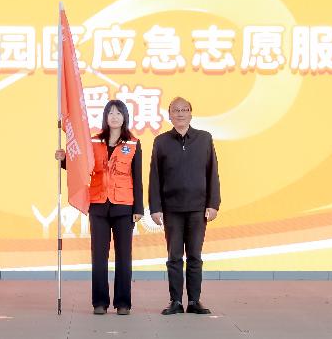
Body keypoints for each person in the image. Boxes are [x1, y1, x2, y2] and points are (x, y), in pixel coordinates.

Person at [55, 99, 143, 315]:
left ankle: (123, 303)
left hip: (124, 206)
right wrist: (64, 160)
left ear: (125, 117)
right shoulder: (93, 141)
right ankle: (100, 302)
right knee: (99, 257)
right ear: (105, 117)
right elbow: (81, 166)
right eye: (110, 113)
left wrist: (138, 209)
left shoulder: (133, 143)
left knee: (124, 257)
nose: (114, 116)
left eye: (118, 113)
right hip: (98, 206)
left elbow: (137, 177)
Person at [149, 96, 221, 315]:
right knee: (174, 257)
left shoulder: (204, 139)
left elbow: (213, 173)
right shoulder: (161, 142)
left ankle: (194, 301)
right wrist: (155, 207)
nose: (180, 114)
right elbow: (155, 177)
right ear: (169, 115)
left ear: (191, 113)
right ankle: (175, 301)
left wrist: (213, 203)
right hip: (172, 209)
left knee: (195, 257)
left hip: (198, 208)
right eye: (176, 110)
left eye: (184, 110)